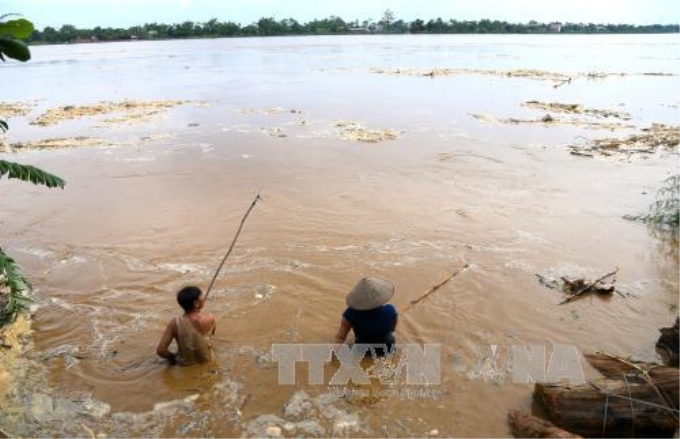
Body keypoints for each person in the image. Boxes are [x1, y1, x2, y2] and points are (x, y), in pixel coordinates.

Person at [334, 277, 398, 356]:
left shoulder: (350, 314)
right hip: (388, 348)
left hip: (364, 351)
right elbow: (392, 329)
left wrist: (330, 356)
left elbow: (340, 338)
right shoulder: (390, 309)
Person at [156, 286, 216, 366]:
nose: (204, 298)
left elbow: (161, 350)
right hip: (208, 362)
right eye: (202, 296)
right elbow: (212, 335)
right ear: (196, 303)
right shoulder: (210, 318)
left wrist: (174, 358)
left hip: (185, 365)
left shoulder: (175, 323)